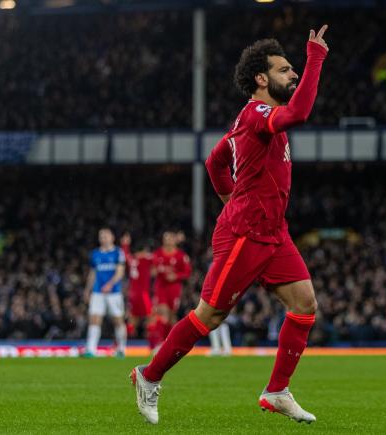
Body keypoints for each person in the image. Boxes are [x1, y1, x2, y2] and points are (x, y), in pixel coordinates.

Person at [130, 25, 329, 424]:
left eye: (294, 69)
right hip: (246, 233)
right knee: (210, 316)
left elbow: (215, 161)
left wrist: (230, 198)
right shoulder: (258, 114)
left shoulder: (249, 122)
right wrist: (314, 57)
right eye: (284, 69)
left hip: (273, 231)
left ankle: (276, 391)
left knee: (305, 306)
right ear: (261, 78)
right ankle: (148, 377)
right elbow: (301, 112)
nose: (292, 75)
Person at [83, 228, 126, 358]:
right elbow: (92, 273)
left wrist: (110, 284)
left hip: (114, 292)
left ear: (112, 237)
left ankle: (121, 349)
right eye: (101, 236)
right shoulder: (95, 254)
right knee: (94, 319)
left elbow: (120, 272)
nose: (103, 238)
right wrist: (87, 290)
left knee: (118, 320)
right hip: (97, 292)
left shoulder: (118, 253)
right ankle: (91, 349)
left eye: (106, 236)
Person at [146, 231, 191, 350]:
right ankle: (160, 343)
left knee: (172, 317)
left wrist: (176, 276)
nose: (168, 240)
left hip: (174, 289)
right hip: (161, 288)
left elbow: (187, 273)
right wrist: (153, 271)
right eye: (165, 238)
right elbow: (152, 269)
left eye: (170, 238)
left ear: (174, 240)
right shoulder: (157, 254)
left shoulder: (181, 256)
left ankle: (171, 341)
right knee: (162, 313)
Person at [120, 233, 155, 341]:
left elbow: (125, 255)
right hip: (142, 293)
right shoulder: (146, 258)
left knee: (133, 318)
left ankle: (124, 342)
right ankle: (153, 343)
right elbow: (157, 260)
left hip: (132, 294)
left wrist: (125, 244)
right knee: (151, 317)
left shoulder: (132, 259)